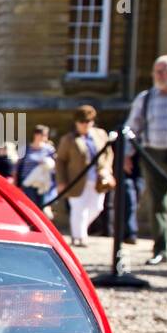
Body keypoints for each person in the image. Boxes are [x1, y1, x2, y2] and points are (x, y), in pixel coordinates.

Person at [124, 54, 167, 264]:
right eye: (158, 71)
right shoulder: (145, 98)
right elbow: (132, 127)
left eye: (165, 71)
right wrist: (127, 154)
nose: (161, 75)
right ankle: (160, 250)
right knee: (157, 204)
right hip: (153, 155)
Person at [56, 105, 114, 247]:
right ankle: (79, 237)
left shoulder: (100, 134)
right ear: (76, 122)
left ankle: (80, 230)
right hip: (76, 180)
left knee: (97, 207)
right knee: (78, 209)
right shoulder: (68, 139)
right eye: (82, 122)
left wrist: (107, 170)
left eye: (88, 122)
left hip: (98, 179)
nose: (85, 125)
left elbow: (108, 154)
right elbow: (60, 161)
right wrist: (61, 181)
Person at [17, 125, 57, 209]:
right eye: (44, 134)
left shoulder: (49, 149)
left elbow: (55, 166)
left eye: (46, 135)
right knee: (29, 207)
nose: (45, 137)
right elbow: (17, 166)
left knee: (41, 207)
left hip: (42, 183)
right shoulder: (26, 148)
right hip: (27, 182)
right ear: (36, 135)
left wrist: (46, 163)